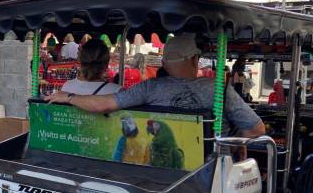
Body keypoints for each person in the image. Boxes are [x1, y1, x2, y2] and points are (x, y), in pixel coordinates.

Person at [45, 34, 265, 138]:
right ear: (195, 60)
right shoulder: (217, 89)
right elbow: (256, 129)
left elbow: (103, 105)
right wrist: (233, 147)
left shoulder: (149, 88)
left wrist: (70, 98)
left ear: (165, 62)